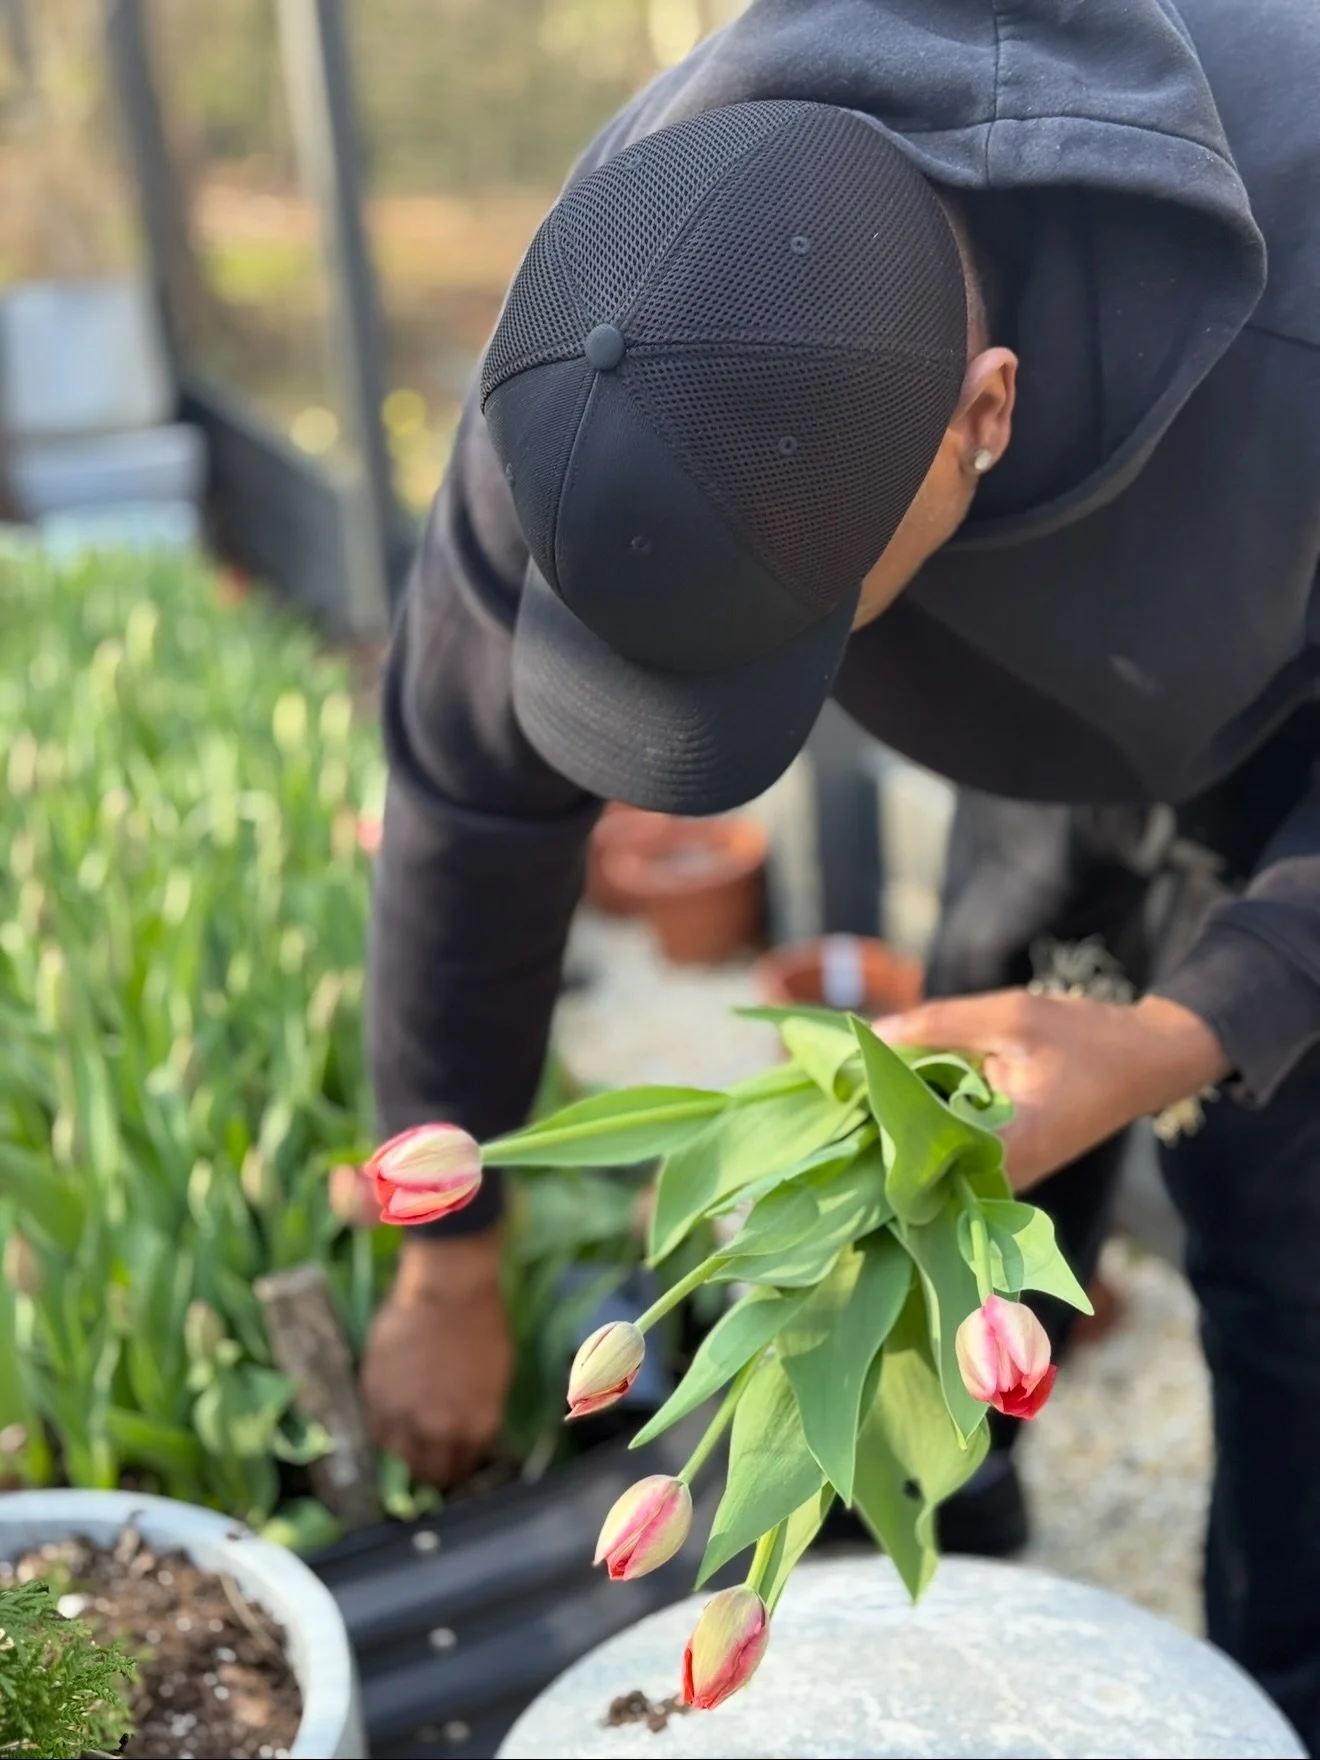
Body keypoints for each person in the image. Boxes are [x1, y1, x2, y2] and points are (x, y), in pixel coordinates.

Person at [361, 0, 1320, 1742]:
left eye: (779, 644)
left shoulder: (1298, 305)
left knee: (1287, 1254)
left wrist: (1198, 1026)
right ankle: (954, 1574)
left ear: (984, 413)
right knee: (948, 1173)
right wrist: (450, 1257)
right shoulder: (608, 322)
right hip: (1045, 716)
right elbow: (471, 791)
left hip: (1286, 703)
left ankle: (1276, 1684)